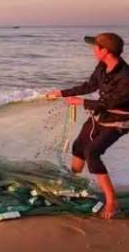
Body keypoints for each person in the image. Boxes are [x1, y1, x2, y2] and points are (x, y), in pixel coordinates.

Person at [47, 33, 129, 219]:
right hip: (100, 115)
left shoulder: (126, 77)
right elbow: (90, 86)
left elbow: (110, 104)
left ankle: (111, 201)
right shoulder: (102, 66)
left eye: (96, 47)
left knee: (92, 152)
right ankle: (72, 186)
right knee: (79, 147)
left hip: (119, 121)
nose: (93, 50)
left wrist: (81, 103)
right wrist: (61, 93)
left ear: (105, 51)